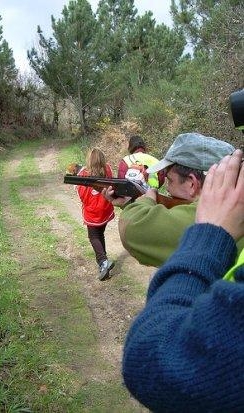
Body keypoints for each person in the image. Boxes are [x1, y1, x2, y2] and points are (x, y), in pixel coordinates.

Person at [122, 149, 244, 413]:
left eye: (170, 179)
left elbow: (150, 355)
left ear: (192, 184)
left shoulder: (203, 217)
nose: (165, 185)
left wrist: (145, 200)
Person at [103, 132, 244, 267]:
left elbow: (132, 228)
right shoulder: (235, 211)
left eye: (170, 180)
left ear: (192, 183)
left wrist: (148, 199)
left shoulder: (208, 219)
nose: (168, 189)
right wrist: (129, 202)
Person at [76, 148, 115, 281]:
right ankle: (103, 265)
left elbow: (81, 195)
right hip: (105, 210)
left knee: (93, 236)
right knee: (100, 234)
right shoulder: (108, 169)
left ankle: (103, 261)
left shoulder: (83, 174)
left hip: (92, 212)